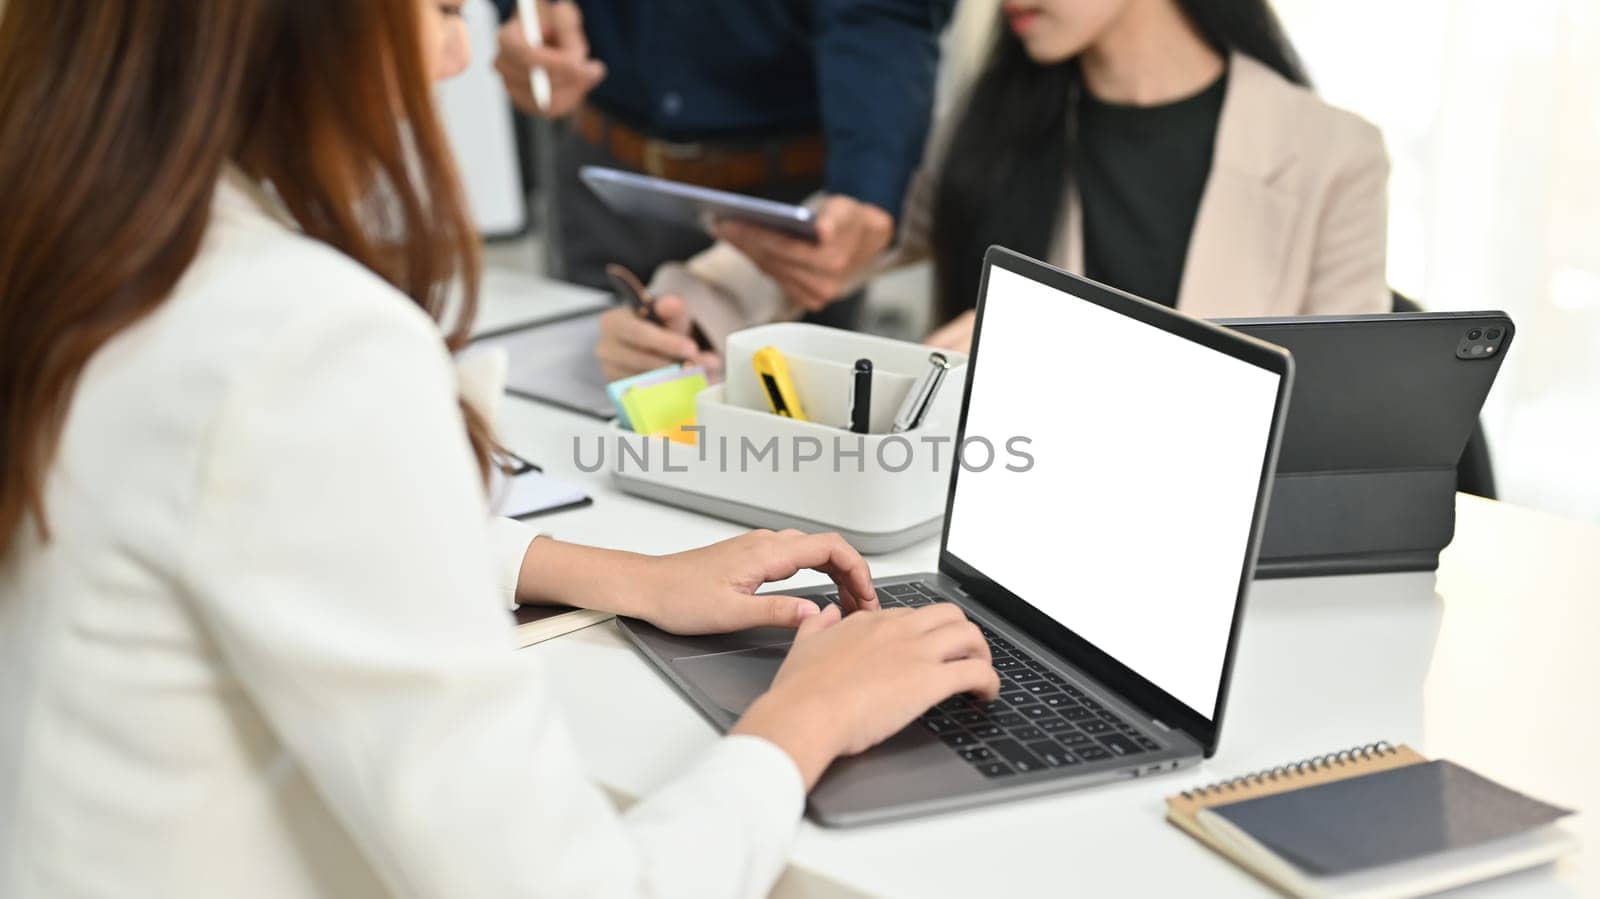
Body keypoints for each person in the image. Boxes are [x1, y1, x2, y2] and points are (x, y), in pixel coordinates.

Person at [0, 3, 999, 896]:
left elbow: (257, 521)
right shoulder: (304, 343)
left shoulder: (76, 248)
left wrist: (617, 573)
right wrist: (810, 715)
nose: (454, 57)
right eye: (438, 9)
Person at [594, 0, 1392, 378]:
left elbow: (1343, 432)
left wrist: (1053, 346)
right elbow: (817, 248)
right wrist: (679, 318)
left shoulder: (1332, 156)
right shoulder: (990, 122)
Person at [491, 0, 953, 332]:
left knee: (784, 440)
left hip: (787, 201)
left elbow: (884, 14)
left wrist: (869, 181)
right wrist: (530, 10)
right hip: (605, 174)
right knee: (583, 409)